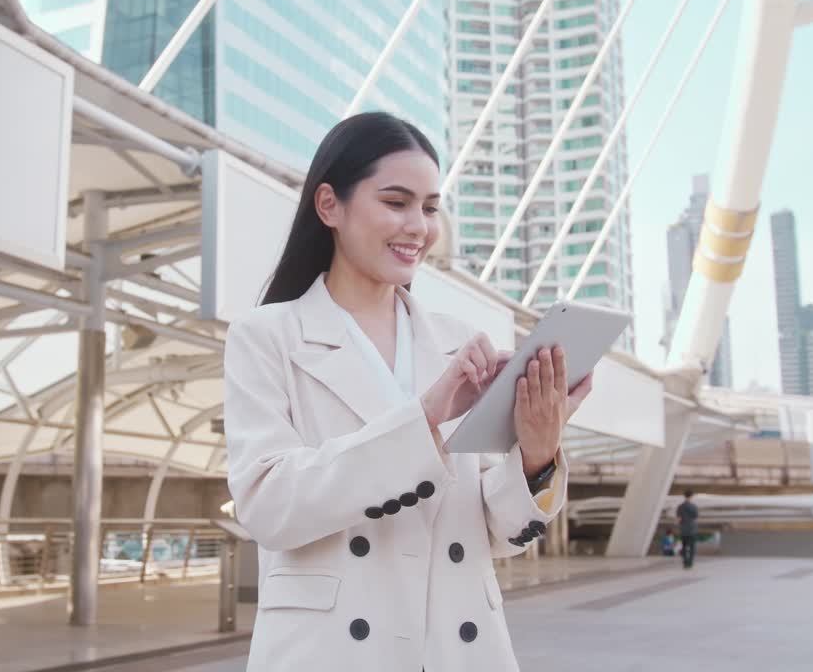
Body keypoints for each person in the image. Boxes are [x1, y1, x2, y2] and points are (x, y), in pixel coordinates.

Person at [223, 112, 595, 671]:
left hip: (459, 650)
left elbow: (497, 534)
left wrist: (538, 452)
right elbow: (269, 508)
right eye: (396, 202)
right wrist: (424, 417)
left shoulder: (457, 343)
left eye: (429, 207)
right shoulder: (267, 336)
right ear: (330, 206)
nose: (418, 226)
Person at [676, 490, 699, 569]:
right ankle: (690, 562)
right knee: (692, 547)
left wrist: (680, 526)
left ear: (684, 496)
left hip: (684, 530)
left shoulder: (680, 507)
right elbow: (696, 517)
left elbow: (679, 519)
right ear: (691, 496)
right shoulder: (694, 506)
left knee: (684, 546)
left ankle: (685, 562)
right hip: (692, 529)